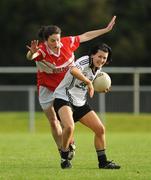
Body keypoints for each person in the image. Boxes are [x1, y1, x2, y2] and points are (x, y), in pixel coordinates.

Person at [26, 16, 116, 159]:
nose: (57, 43)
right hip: (47, 87)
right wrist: (32, 52)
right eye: (52, 40)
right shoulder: (42, 50)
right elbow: (32, 56)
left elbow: (86, 35)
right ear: (46, 41)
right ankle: (62, 148)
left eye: (58, 39)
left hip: (66, 87)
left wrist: (105, 30)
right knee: (53, 121)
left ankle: (67, 147)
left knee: (66, 122)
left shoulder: (67, 43)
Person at [53, 43, 121, 169]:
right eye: (99, 56)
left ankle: (103, 162)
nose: (101, 60)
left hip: (80, 102)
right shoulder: (84, 60)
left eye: (104, 58)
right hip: (63, 97)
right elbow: (73, 70)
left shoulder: (98, 69)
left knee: (100, 129)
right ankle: (64, 156)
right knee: (69, 127)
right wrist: (88, 82)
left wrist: (100, 88)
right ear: (92, 55)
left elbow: (88, 85)